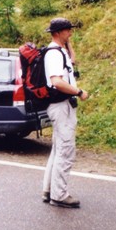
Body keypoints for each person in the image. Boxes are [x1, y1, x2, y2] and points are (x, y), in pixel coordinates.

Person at [42, 17, 89, 208]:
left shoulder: (60, 52)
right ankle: (59, 195)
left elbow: (73, 60)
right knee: (66, 150)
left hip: (62, 106)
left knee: (57, 149)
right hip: (61, 106)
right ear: (58, 32)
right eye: (68, 30)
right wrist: (78, 92)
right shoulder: (53, 54)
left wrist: (67, 43)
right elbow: (57, 81)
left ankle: (49, 190)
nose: (71, 32)